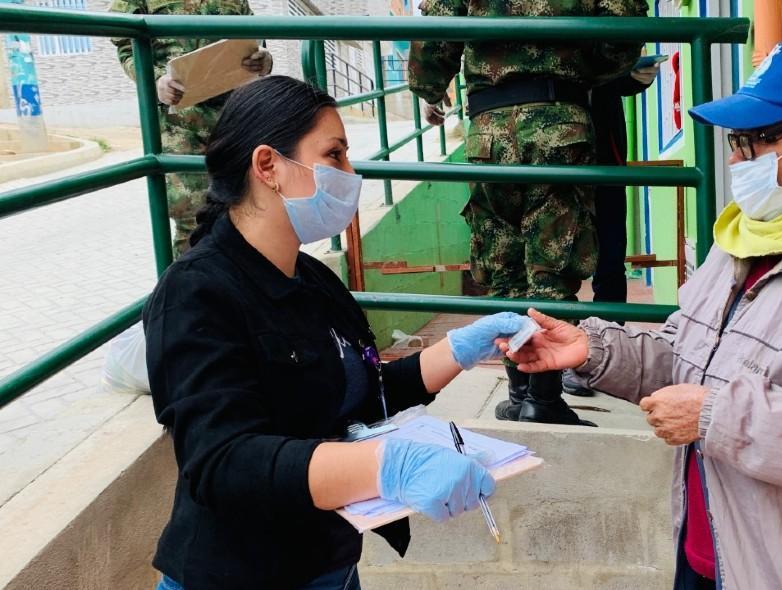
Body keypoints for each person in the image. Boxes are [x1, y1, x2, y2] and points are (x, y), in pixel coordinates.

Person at [501, 37, 782, 588]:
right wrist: (595, 352)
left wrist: (717, 417)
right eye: (733, 141)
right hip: (717, 549)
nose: (735, 159)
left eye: (755, 141)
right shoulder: (747, 237)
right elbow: (689, 356)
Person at [143, 76, 529, 590]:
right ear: (267, 166)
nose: (351, 174)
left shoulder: (315, 279)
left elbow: (363, 394)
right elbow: (222, 461)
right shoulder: (196, 291)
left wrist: (461, 348)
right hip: (238, 573)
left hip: (330, 562)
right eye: (335, 155)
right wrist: (387, 464)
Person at [407, 0, 648, 427]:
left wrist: (429, 89)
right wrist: (585, 66)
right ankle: (544, 398)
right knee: (551, 266)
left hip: (489, 127)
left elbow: (437, 31)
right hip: (561, 120)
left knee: (504, 266)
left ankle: (519, 393)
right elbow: (622, 28)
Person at [110, 0, 273, 256]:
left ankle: (241, 290)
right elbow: (124, 41)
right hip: (178, 122)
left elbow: (251, 36)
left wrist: (263, 60)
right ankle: (189, 292)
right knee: (192, 217)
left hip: (234, 116)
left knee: (249, 209)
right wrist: (155, 81)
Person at [562, 62, 658, 397]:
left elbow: (621, 69)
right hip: (552, 151)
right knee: (553, 262)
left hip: (602, 148)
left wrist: (633, 74)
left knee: (610, 256)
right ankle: (561, 359)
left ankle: (608, 358)